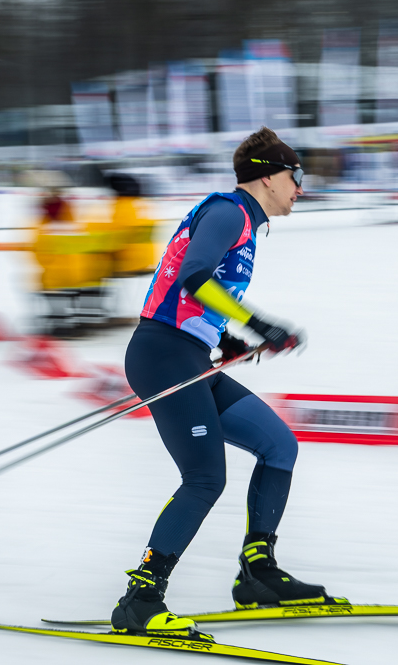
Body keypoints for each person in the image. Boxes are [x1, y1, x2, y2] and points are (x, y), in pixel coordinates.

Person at [112, 127, 327, 639]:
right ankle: (141, 599)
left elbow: (194, 294)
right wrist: (257, 325)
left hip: (186, 352)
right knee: (205, 479)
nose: (300, 187)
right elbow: (194, 276)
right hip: (163, 356)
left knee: (278, 445)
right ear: (268, 176)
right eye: (295, 176)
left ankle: (258, 573)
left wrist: (224, 336)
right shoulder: (230, 212)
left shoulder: (244, 221)